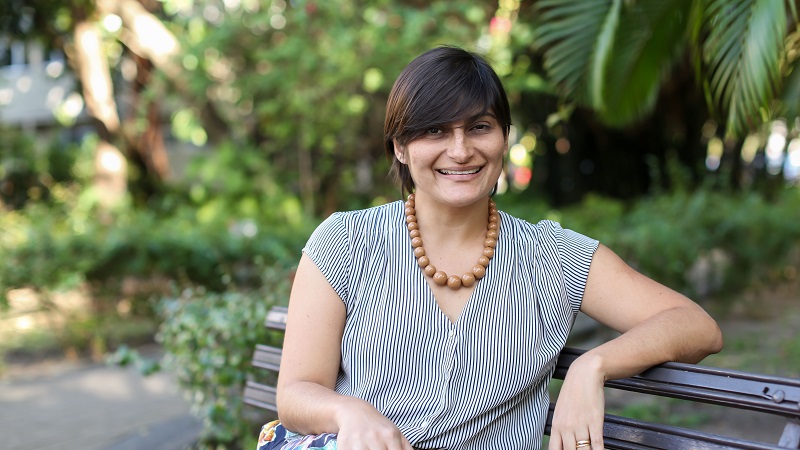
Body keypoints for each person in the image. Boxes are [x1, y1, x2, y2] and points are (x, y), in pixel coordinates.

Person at [257, 46, 723, 450]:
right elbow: (297, 390)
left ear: (504, 138)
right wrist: (349, 413)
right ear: (400, 146)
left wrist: (591, 366)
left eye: (479, 127)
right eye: (435, 131)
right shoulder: (347, 241)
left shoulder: (552, 258)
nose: (460, 151)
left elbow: (695, 326)